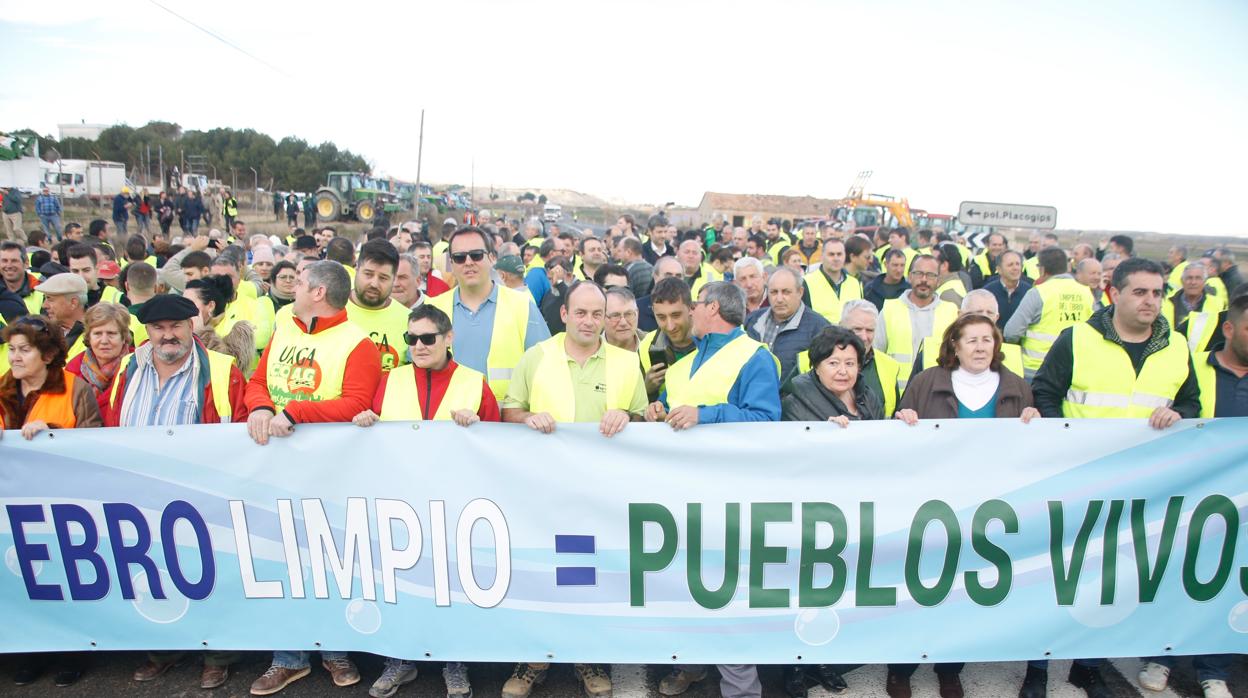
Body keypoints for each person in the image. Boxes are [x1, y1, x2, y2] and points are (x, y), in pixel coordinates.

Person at [1028, 257, 1200, 698]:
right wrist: (1063, 443)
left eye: (1158, 293)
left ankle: (1087, 664)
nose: (1151, 301)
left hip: (1142, 486)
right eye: (1140, 292)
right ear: (1115, 293)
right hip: (1079, 480)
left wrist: (1179, 414)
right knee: (1056, 575)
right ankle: (1037, 668)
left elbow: (1192, 405)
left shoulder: (1176, 347)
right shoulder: (1078, 339)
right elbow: (1045, 392)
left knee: (1109, 579)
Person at [498, 281, 645, 698]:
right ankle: (533, 660)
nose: (590, 321)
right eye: (581, 313)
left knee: (588, 575)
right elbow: (510, 410)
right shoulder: (536, 357)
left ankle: (587, 656)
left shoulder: (624, 362)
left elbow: (641, 421)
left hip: (600, 491)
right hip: (544, 489)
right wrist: (527, 419)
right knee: (542, 572)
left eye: (597, 314)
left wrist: (627, 417)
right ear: (564, 315)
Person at [243, 260, 380, 694]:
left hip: (332, 474)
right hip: (277, 468)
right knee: (282, 560)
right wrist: (261, 407)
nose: (292, 285)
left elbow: (355, 402)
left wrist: (295, 411)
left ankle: (336, 650)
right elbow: (259, 380)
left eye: (300, 281)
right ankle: (288, 657)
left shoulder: (358, 344)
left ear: (318, 292)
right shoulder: (285, 327)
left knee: (331, 560)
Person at [887, 313, 1039, 698]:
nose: (980, 347)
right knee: (921, 585)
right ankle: (901, 666)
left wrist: (1035, 420)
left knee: (963, 590)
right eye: (970, 340)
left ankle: (950, 666)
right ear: (954, 345)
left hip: (987, 507)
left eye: (987, 339)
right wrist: (901, 418)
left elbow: (1032, 446)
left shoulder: (1016, 387)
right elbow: (898, 435)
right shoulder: (926, 383)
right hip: (932, 506)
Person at [348, 303, 494, 698]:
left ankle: (454, 662)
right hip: (402, 501)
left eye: (428, 338)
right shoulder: (390, 379)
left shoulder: (475, 382)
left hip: (454, 502)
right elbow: (374, 428)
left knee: (452, 584)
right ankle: (400, 660)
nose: (419, 345)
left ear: (449, 339)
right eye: (411, 339)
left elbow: (500, 447)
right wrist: (367, 423)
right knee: (402, 583)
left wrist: (479, 427)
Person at [648, 282, 779, 698]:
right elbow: (672, 409)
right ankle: (692, 665)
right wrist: (658, 410)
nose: (687, 312)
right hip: (682, 493)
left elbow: (765, 421)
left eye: (695, 304)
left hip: (730, 497)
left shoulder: (756, 357)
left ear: (713, 308)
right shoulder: (685, 362)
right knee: (687, 587)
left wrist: (705, 415)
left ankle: (741, 689)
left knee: (726, 595)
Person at [0, 315, 101, 687]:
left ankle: (73, 651)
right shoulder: (2, 389)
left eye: (24, 350)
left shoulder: (75, 389)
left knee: (65, 577)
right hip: (13, 503)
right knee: (25, 580)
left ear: (46, 355)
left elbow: (95, 440)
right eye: (11, 350)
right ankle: (30, 651)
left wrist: (55, 434)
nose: (14, 357)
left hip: (64, 500)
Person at [429, 226, 549, 401]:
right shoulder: (433, 308)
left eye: (476, 255)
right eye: (460, 258)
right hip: (447, 420)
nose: (468, 262)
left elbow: (543, 367)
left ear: (492, 258)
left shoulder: (522, 306)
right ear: (452, 264)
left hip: (504, 421)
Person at [1003, 247, 1093, 380]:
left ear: (1043, 269)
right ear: (1066, 266)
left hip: (1036, 370)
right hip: (1073, 369)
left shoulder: (1038, 292)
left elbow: (1011, 333)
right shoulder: (1086, 293)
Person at [874, 255, 958, 392]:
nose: (924, 280)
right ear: (909, 276)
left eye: (930, 275)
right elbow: (876, 354)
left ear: (938, 280)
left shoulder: (950, 312)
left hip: (937, 393)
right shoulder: (890, 309)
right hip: (896, 394)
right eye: (919, 273)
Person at [782, 325, 882, 427]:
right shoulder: (795, 404)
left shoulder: (868, 396)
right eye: (833, 363)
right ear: (816, 367)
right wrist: (828, 430)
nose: (843, 371)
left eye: (849, 363)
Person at [911, 290, 1025, 378]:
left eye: (989, 313)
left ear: (997, 318)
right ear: (960, 315)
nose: (984, 318)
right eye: (977, 312)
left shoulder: (1013, 356)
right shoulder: (931, 351)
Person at [746, 267, 830, 385]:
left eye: (786, 292)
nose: (779, 299)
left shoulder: (819, 328)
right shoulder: (752, 321)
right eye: (774, 292)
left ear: (800, 292)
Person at [345, 239, 410, 371]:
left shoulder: (409, 321)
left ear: (394, 279)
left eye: (383, 278)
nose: (374, 284)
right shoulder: (332, 309)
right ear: (356, 270)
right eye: (368, 274)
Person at [65, 303, 132, 415]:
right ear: (88, 337)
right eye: (97, 334)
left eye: (111, 333)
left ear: (123, 337)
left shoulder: (137, 365)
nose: (104, 340)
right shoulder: (74, 369)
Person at [639, 277, 697, 401]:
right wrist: (647, 390)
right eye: (661, 317)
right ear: (653, 312)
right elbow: (637, 409)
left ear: (691, 308)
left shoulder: (713, 340)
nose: (670, 326)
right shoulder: (646, 345)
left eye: (676, 315)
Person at [184, 275, 257, 372]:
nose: (183, 307)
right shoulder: (182, 326)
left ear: (210, 306)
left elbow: (231, 370)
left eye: (189, 303)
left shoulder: (237, 331)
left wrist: (202, 334)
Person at [802, 238, 864, 324]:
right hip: (819, 336)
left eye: (839, 254)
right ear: (822, 257)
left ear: (845, 256)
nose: (836, 258)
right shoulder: (807, 282)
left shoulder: (855, 283)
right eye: (831, 254)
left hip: (849, 336)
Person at [35, 273, 89, 360]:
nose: (44, 305)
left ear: (73, 303)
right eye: (45, 299)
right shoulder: (44, 332)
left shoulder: (97, 334)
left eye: (50, 299)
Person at [1162, 261, 1225, 330]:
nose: (1193, 282)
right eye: (1189, 278)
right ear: (1182, 281)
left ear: (1204, 281)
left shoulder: (1217, 304)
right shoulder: (1165, 303)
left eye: (1198, 278)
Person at [983, 250, 1032, 329]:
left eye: (1018, 264)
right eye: (1010, 265)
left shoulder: (1030, 292)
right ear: (999, 269)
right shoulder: (988, 292)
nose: (1015, 268)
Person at [1, 240, 44, 314]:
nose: (9, 265)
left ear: (26, 263)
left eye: (14, 261)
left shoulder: (42, 292)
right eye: (4, 261)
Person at [604, 286, 644, 351]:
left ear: (637, 314)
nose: (623, 323)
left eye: (629, 314)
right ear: (602, 317)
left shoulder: (655, 344)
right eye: (615, 315)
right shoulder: (589, 349)